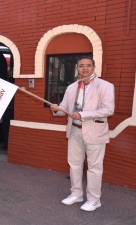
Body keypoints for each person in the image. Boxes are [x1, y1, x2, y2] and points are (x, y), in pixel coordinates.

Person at [50, 56, 115, 212]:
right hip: (74, 131)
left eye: (88, 65)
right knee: (74, 164)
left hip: (94, 132)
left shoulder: (105, 86)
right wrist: (57, 109)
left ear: (93, 67)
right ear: (77, 68)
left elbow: (108, 110)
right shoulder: (72, 87)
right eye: (81, 66)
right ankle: (76, 194)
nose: (84, 68)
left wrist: (83, 114)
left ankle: (94, 199)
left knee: (94, 167)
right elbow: (65, 108)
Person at [2, 69, 15, 150]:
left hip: (13, 109)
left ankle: (9, 145)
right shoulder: (5, 83)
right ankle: (6, 144)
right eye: (9, 73)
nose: (9, 74)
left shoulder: (17, 84)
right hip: (6, 109)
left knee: (10, 128)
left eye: (11, 73)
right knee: (5, 127)